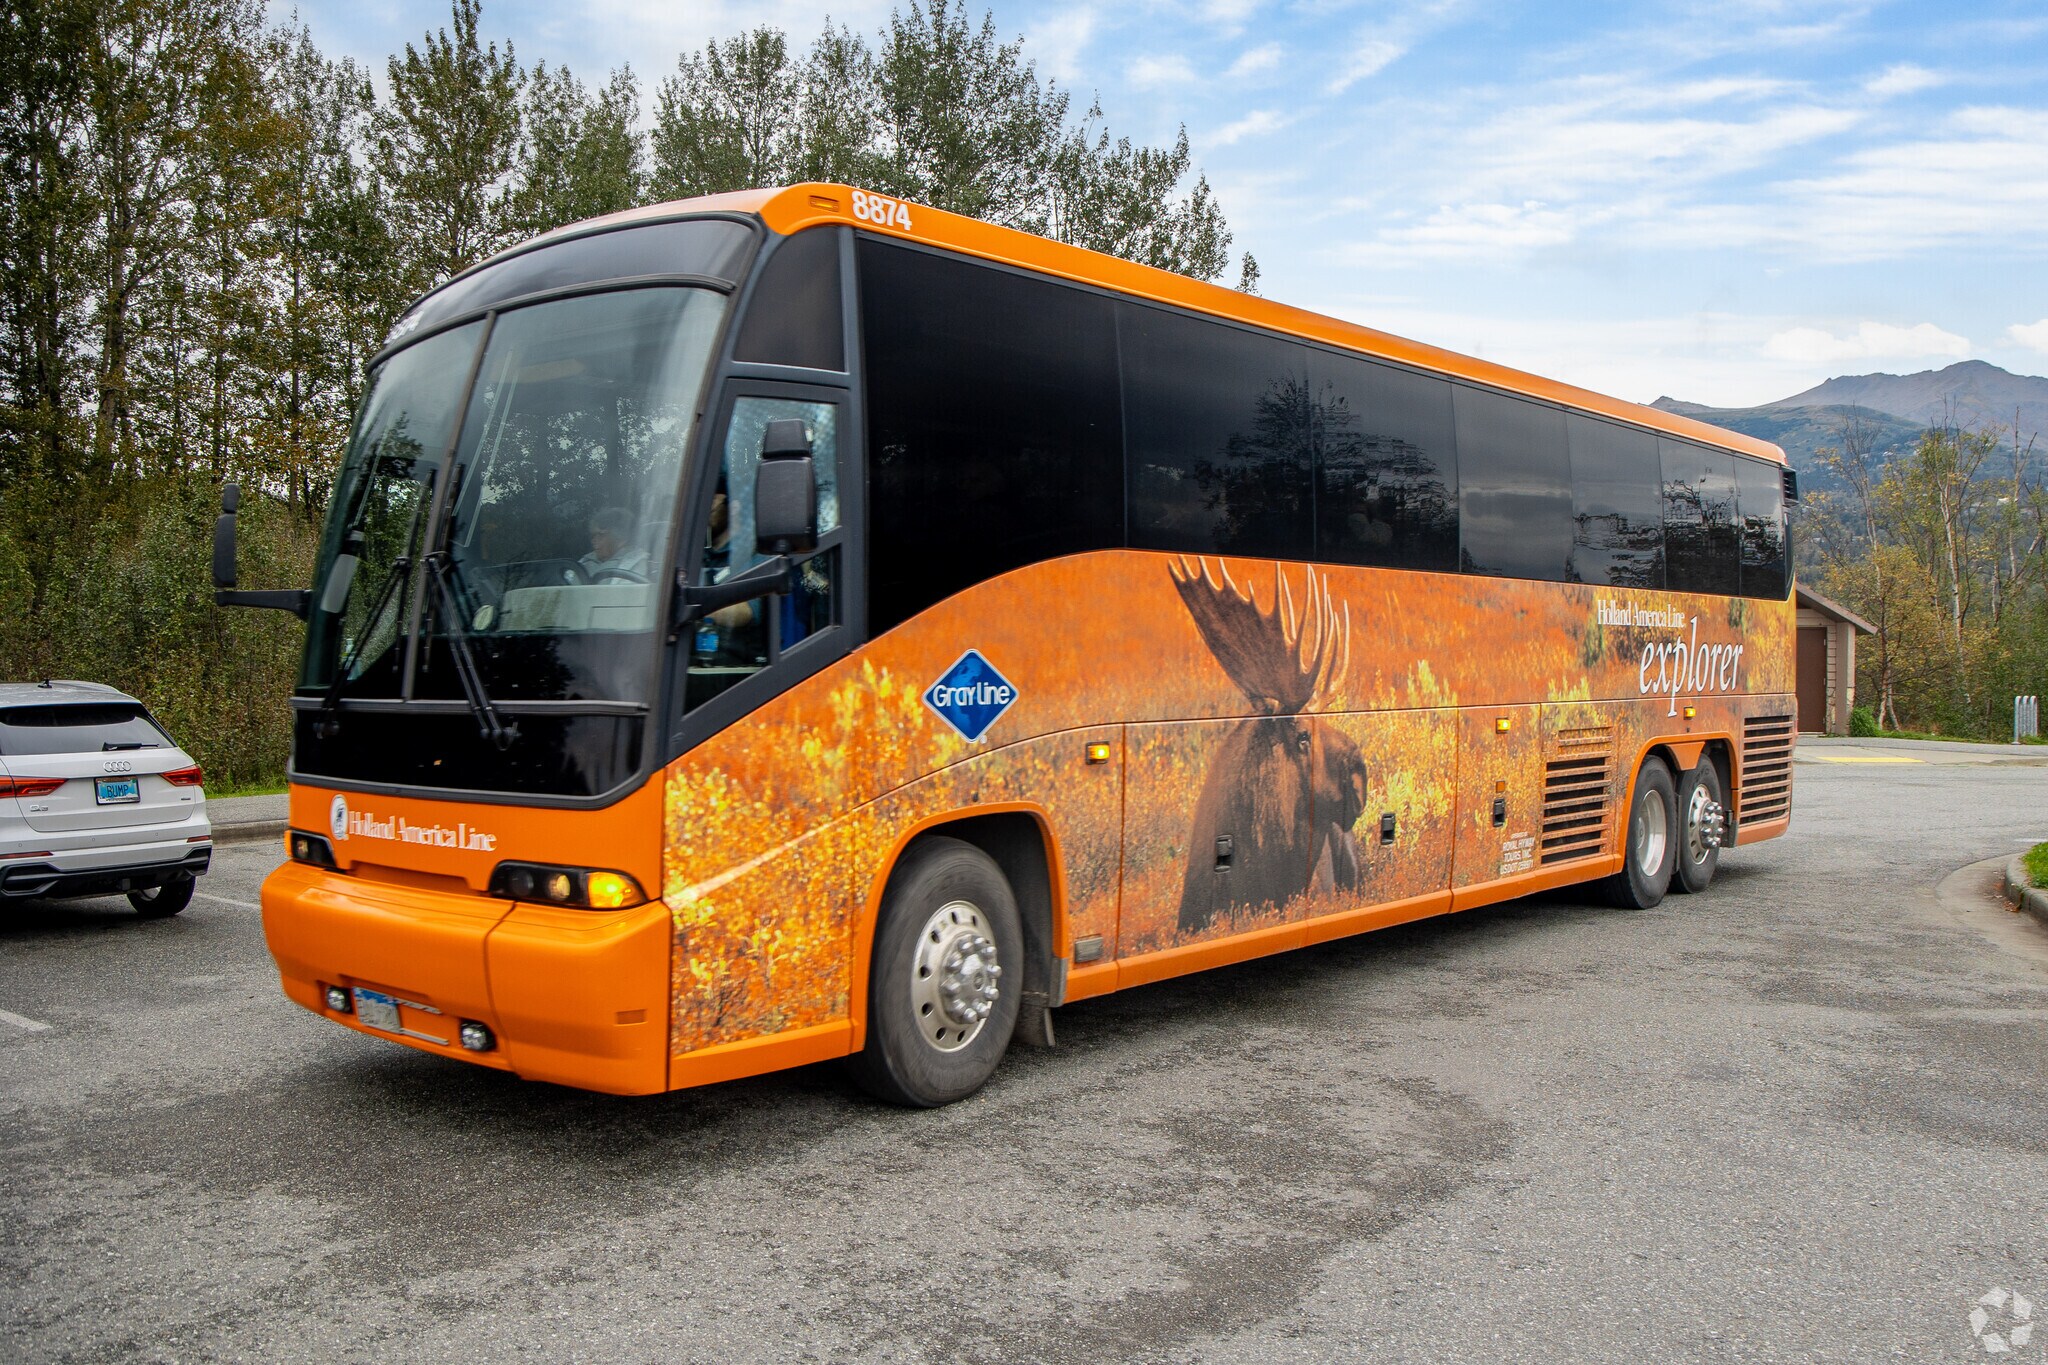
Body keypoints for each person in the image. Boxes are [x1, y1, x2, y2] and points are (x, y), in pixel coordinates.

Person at [579, 507, 649, 580]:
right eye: (593, 535)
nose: (593, 541)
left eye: (601, 535)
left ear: (621, 539)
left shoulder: (637, 563)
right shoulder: (585, 562)